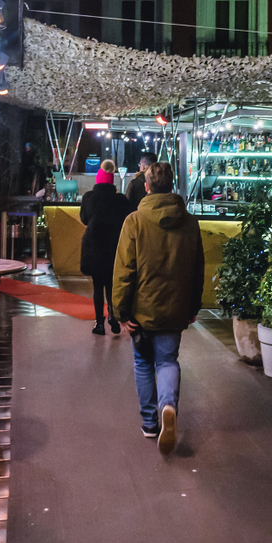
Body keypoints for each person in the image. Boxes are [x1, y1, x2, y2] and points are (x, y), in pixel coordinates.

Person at [113, 162, 204, 454]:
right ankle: (168, 405)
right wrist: (193, 306)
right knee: (168, 361)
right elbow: (197, 269)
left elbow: (124, 271)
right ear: (172, 186)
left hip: (142, 310)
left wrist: (121, 312)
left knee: (143, 363)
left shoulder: (134, 221)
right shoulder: (190, 223)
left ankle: (150, 423)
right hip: (175, 308)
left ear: (147, 187)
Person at [80, 160, 131, 335]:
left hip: (93, 245)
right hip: (113, 246)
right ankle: (113, 318)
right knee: (111, 285)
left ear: (98, 178)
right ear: (112, 179)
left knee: (97, 287)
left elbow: (84, 219)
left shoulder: (89, 198)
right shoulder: (120, 200)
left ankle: (99, 324)